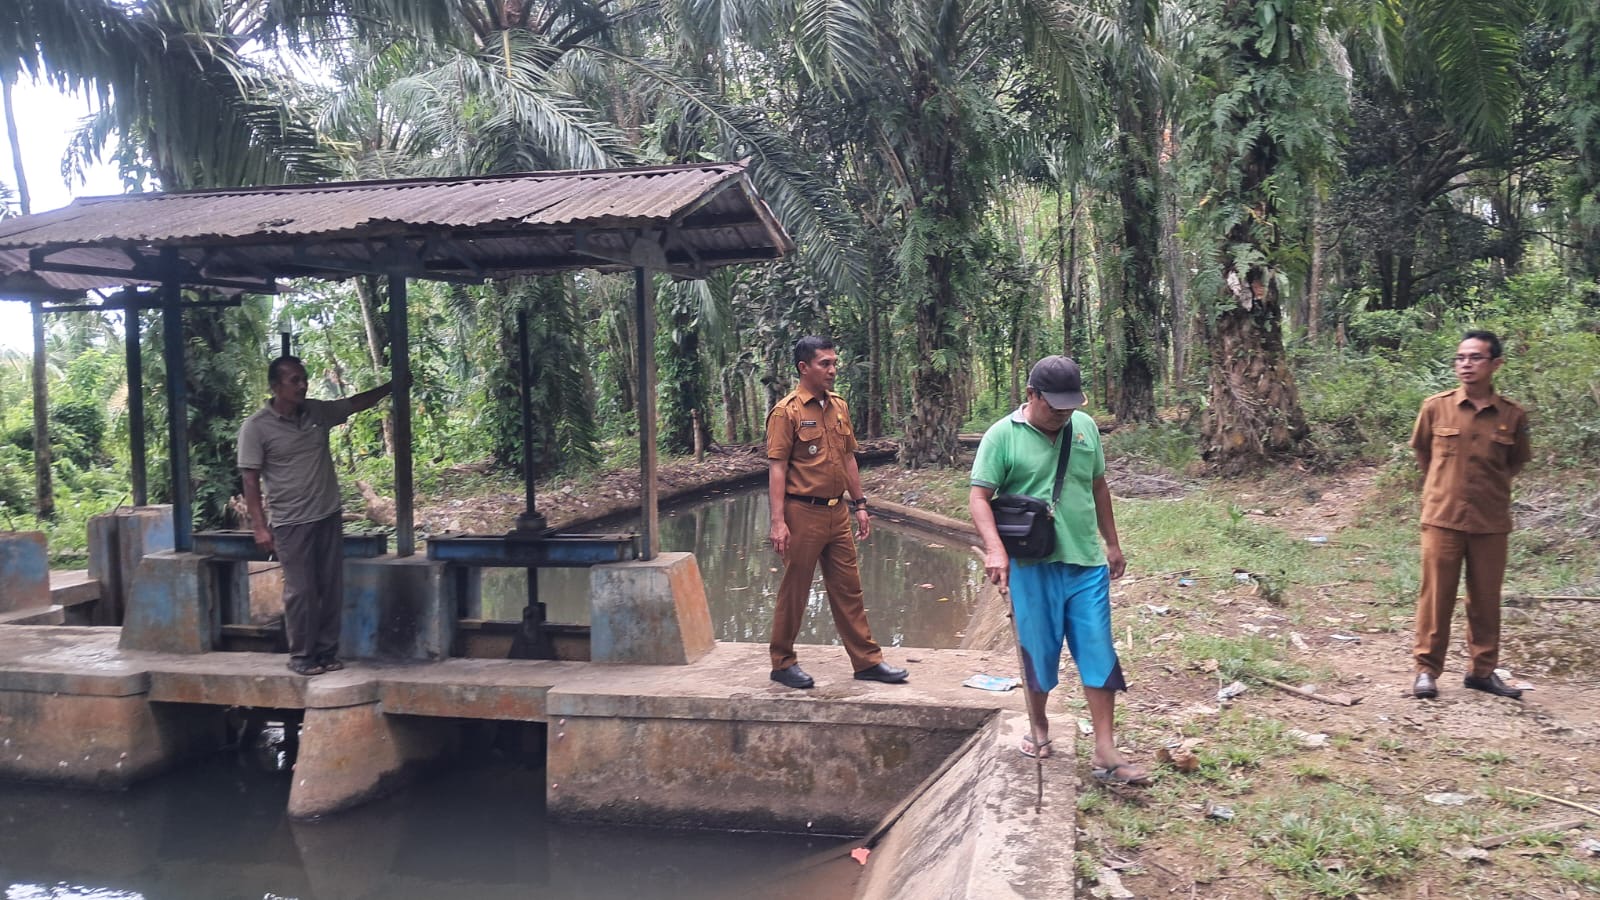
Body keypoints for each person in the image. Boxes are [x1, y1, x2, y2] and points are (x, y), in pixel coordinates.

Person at [969, 355, 1147, 783]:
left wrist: (1113, 543)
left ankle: (1105, 749)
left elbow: (1098, 486)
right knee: (1038, 653)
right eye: (1054, 407)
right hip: (1032, 565)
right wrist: (996, 551)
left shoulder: (1083, 429)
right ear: (1031, 395)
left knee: (1097, 649)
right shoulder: (1001, 437)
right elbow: (979, 497)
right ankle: (1039, 725)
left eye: (1069, 407)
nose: (1063, 415)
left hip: (1085, 562)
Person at [765, 336, 908, 689]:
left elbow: (848, 459)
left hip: (837, 513)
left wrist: (860, 504)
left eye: (833, 363)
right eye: (824, 364)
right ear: (804, 368)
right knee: (795, 591)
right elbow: (777, 468)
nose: (832, 370)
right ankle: (782, 662)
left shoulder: (839, 407)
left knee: (849, 589)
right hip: (802, 514)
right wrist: (778, 522)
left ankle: (867, 662)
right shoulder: (787, 412)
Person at [239, 356, 394, 677]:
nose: (302, 385)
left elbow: (353, 403)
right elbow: (250, 480)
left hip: (327, 516)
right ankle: (302, 656)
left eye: (304, 379)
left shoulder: (317, 413)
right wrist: (259, 527)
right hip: (290, 522)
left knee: (330, 588)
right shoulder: (256, 428)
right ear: (275, 386)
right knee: (301, 591)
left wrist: (391, 387)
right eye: (294, 380)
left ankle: (326, 652)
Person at [1409, 330, 1532, 700]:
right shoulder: (1436, 407)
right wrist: (1444, 487)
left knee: (1485, 599)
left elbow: (1514, 463)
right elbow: (1423, 454)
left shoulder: (1512, 415)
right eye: (1460, 358)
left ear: (1496, 364)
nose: (1466, 364)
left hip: (1490, 522)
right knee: (1436, 596)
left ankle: (1482, 671)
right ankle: (1426, 671)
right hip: (1442, 518)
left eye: (1475, 358)